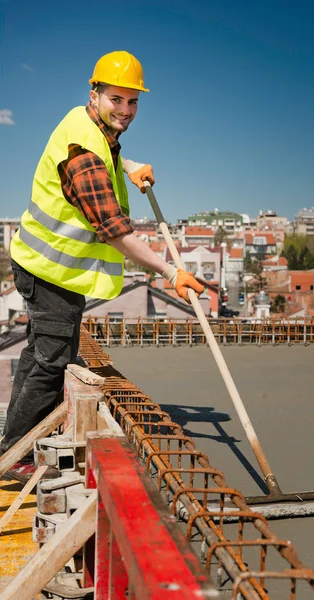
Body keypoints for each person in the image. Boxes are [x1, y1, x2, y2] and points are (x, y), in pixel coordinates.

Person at [0, 51, 204, 480]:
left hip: (51, 267)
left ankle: (18, 444)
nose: (126, 111)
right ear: (94, 94)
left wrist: (129, 166)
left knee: (43, 356)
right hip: (48, 271)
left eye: (133, 102)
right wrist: (171, 272)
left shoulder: (86, 122)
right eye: (117, 100)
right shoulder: (83, 154)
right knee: (52, 360)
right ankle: (15, 456)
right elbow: (114, 231)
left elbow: (107, 158)